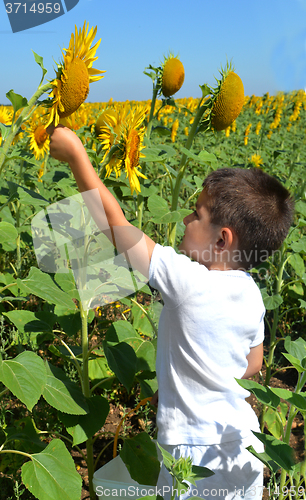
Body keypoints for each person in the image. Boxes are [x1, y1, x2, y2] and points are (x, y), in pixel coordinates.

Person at [47, 125, 294, 500]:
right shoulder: (251, 293)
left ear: (221, 239)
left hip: (192, 455)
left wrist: (78, 156)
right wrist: (194, 379)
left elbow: (117, 228)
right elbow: (254, 363)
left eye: (196, 214)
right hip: (243, 446)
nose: (185, 220)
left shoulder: (186, 282)